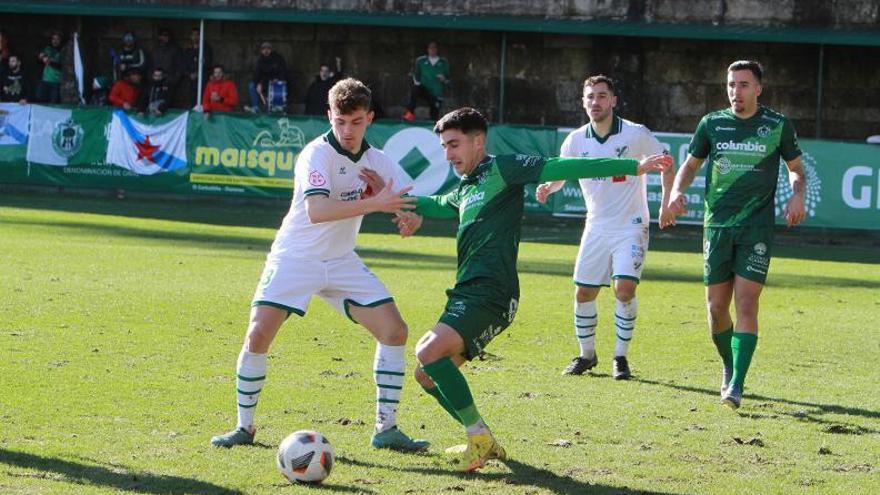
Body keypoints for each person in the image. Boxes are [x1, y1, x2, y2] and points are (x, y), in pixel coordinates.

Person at [384, 107, 670, 471]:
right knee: (427, 374)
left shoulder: (503, 168)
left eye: (454, 144)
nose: (448, 154)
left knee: (427, 352)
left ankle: (479, 436)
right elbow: (440, 204)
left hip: (492, 292)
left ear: (478, 141)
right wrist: (392, 202)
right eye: (443, 146)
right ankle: (482, 439)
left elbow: (562, 167)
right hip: (469, 292)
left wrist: (632, 167)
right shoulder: (468, 186)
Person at [210, 78, 429, 453]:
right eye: (340, 121)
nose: (347, 130)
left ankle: (386, 428)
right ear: (329, 115)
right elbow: (317, 210)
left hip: (341, 260)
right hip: (295, 256)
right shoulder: (316, 154)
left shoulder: (378, 161)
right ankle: (244, 428)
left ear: (369, 118)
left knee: (395, 331)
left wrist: (409, 220)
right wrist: (376, 202)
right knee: (258, 335)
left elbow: (411, 207)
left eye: (356, 121)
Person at [667, 60, 805, 409]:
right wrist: (675, 192)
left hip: (756, 228)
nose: (735, 91)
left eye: (743, 85)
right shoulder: (712, 123)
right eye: (731, 84)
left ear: (758, 89)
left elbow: (797, 171)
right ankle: (729, 365)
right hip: (717, 226)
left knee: (746, 303)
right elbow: (691, 165)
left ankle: (737, 385)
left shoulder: (777, 125)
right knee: (716, 309)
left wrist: (797, 194)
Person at [534, 75, 675, 379]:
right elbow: (562, 172)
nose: (595, 102)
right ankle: (587, 356)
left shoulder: (636, 134)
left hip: (631, 225)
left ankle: (620, 359)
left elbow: (666, 162)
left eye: (601, 96)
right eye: (590, 97)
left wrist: (666, 202)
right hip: (596, 226)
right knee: (583, 293)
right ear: (583, 102)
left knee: (623, 289)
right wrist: (549, 187)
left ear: (613, 100)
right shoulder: (575, 139)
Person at [402, 41, 450, 122]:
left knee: (434, 112)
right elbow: (416, 75)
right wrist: (418, 83)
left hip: (436, 92)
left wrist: (444, 79)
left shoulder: (443, 62)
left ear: (437, 49)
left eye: (434, 47)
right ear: (427, 49)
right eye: (430, 48)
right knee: (415, 89)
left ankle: (433, 125)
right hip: (424, 89)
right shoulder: (421, 61)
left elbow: (448, 79)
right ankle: (410, 113)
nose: (432, 50)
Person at [246, 41, 288, 113]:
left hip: (276, 83)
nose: (266, 50)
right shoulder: (260, 61)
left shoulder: (278, 59)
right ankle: (255, 107)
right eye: (264, 49)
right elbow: (256, 75)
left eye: (268, 48)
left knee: (278, 86)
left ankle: (276, 108)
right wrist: (258, 84)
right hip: (264, 84)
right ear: (261, 51)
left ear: (271, 49)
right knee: (251, 86)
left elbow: (283, 72)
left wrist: (278, 79)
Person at [150, 28, 183, 106]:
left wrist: (174, 79)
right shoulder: (155, 50)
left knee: (168, 103)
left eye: (166, 36)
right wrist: (151, 78)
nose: (165, 38)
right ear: (159, 37)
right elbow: (150, 65)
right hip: (155, 82)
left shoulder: (175, 50)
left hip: (169, 82)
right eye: (163, 35)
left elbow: (180, 66)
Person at [183, 27, 212, 108]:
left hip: (202, 79)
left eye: (197, 35)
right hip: (190, 81)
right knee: (191, 101)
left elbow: (207, 63)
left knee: (203, 99)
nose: (195, 37)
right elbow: (184, 65)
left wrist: (198, 73)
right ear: (190, 37)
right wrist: (189, 74)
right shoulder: (188, 50)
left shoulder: (206, 49)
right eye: (193, 35)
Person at [36, 31, 64, 103]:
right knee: (39, 99)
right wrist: (41, 57)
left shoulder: (63, 50)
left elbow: (62, 65)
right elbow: (39, 57)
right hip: (45, 80)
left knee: (53, 103)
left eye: (57, 39)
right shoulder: (47, 48)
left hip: (56, 82)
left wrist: (49, 61)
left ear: (60, 40)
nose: (55, 41)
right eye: (53, 39)